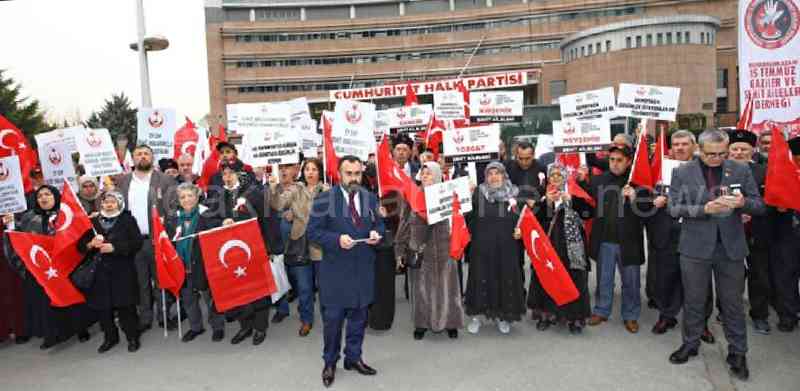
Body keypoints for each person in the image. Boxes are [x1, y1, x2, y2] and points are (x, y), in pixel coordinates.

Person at [667, 129, 764, 381]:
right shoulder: (682, 172)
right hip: (694, 248)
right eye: (711, 154)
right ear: (699, 150)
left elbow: (759, 204)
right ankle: (690, 343)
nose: (717, 158)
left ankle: (738, 352)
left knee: (732, 304)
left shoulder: (741, 170)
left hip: (730, 248)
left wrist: (743, 203)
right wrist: (704, 208)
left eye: (722, 153)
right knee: (694, 300)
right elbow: (673, 207)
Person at [307, 155, 385, 388]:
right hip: (335, 272)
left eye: (357, 173)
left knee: (359, 319)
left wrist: (376, 234)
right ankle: (330, 362)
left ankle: (353, 357)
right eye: (349, 173)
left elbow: (379, 225)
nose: (353, 178)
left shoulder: (370, 198)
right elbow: (313, 233)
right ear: (339, 174)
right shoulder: (323, 200)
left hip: (362, 269)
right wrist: (336, 239)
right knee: (332, 322)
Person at [3, 185, 94, 349]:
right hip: (43, 269)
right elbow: (20, 238)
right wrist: (10, 226)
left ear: (55, 196)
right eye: (40, 196)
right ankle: (52, 335)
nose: (43, 198)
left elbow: (77, 234)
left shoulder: (65, 213)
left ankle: (81, 329)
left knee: (71, 295)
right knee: (47, 302)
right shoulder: (29, 217)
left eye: (47, 194)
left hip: (65, 264)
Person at [203, 160, 282, 346]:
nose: (227, 177)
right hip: (230, 254)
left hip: (254, 250)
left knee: (258, 291)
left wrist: (271, 248)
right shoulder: (217, 195)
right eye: (224, 174)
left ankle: (260, 328)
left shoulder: (254, 193)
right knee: (238, 292)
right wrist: (221, 223)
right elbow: (207, 221)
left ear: (240, 174)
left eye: (231, 173)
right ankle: (245, 326)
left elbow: (268, 221)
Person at [647, 131, 716, 343]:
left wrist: (671, 200)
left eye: (684, 144)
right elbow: (645, 191)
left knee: (700, 281)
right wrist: (653, 197)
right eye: (675, 144)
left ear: (694, 146)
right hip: (667, 231)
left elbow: (711, 198)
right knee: (667, 277)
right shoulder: (659, 167)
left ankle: (701, 324)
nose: (679, 148)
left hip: (695, 231)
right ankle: (667, 316)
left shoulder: (707, 170)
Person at [585, 145, 653, 333]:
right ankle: (601, 310)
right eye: (612, 159)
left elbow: (648, 211)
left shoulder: (638, 182)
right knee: (604, 280)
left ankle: (630, 315)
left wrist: (634, 198)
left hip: (629, 241)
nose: (614, 164)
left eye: (619, 160)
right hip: (605, 239)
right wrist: (581, 179)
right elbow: (585, 200)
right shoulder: (598, 180)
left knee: (631, 282)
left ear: (629, 161)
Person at [396, 161, 464, 340]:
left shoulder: (449, 194)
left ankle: (451, 322)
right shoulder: (412, 196)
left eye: (429, 173)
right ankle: (422, 324)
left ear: (438, 175)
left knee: (447, 287)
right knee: (421, 289)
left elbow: (459, 219)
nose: (425, 176)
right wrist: (399, 250)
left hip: (445, 248)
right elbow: (403, 223)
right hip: (420, 249)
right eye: (423, 173)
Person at [115, 144, 178, 333]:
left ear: (152, 157)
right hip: (134, 241)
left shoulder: (166, 180)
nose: (142, 157)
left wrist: (168, 233)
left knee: (161, 280)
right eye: (138, 154)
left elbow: (173, 208)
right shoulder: (123, 182)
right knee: (140, 281)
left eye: (146, 154)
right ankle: (145, 317)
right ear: (133, 159)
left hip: (158, 239)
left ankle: (164, 315)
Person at [527, 164, 593, 334]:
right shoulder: (542, 193)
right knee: (548, 278)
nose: (555, 178)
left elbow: (589, 212)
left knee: (573, 279)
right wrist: (546, 203)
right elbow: (534, 218)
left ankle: (574, 318)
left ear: (565, 176)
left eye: (559, 174)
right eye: (552, 175)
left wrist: (571, 201)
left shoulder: (575, 192)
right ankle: (547, 315)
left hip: (571, 248)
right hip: (548, 245)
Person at [78, 191, 144, 353]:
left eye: (112, 202)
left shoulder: (127, 219)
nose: (108, 204)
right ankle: (110, 338)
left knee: (126, 307)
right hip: (99, 273)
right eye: (106, 201)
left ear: (119, 203)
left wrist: (115, 248)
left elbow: (136, 243)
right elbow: (80, 246)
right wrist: (90, 245)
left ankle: (132, 337)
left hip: (122, 271)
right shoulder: (92, 222)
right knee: (103, 309)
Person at [464, 162, 525, 334]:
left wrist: (521, 231)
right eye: (490, 174)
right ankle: (476, 317)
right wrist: (466, 196)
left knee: (503, 279)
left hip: (506, 247)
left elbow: (522, 218)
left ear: (503, 174)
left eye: (497, 173)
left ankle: (502, 316)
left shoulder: (514, 193)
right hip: (481, 246)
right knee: (479, 278)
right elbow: (466, 216)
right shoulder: (477, 192)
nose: (493, 177)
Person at [165, 183, 225, 343]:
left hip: (202, 264)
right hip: (181, 267)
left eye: (190, 195)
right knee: (189, 300)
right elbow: (168, 242)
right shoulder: (174, 218)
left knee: (209, 298)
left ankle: (217, 327)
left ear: (197, 196)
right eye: (182, 197)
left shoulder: (208, 215)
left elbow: (216, 236)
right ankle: (196, 327)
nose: (186, 200)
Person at [727, 129, 773, 335]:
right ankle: (726, 311)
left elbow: (771, 201)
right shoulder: (719, 171)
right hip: (729, 232)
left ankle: (760, 315)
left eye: (743, 149)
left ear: (752, 150)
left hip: (757, 231)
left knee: (759, 275)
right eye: (734, 149)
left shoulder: (764, 171)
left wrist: (752, 212)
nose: (738, 153)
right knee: (731, 276)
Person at [270, 162, 317, 336]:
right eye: (281, 167)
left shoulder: (302, 188)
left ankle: (306, 319)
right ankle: (282, 310)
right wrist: (273, 189)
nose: (283, 170)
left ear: (296, 170)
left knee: (304, 285)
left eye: (288, 166)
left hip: (299, 246)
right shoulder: (271, 188)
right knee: (279, 279)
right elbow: (276, 206)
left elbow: (311, 212)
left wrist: (295, 214)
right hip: (277, 245)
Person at [770, 136, 800, 333]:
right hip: (788, 232)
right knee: (786, 275)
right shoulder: (781, 172)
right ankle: (788, 314)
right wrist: (778, 205)